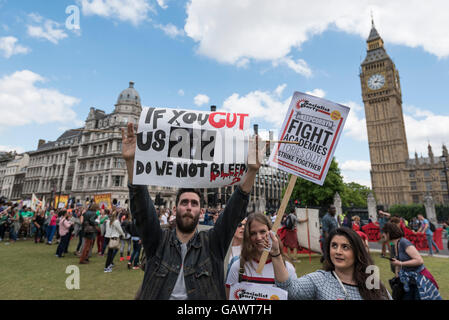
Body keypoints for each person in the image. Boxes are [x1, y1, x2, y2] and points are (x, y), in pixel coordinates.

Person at [121, 122, 263, 300]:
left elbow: (234, 210)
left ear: (201, 210)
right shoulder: (158, 241)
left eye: (194, 203)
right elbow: (142, 209)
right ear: (175, 208)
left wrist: (251, 171)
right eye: (185, 202)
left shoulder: (212, 244)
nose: (189, 207)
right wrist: (131, 162)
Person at [270, 227, 391, 300]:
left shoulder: (372, 282)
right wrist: (276, 254)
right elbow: (289, 290)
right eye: (334, 246)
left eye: (345, 247)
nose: (338, 252)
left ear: (357, 252)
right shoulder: (320, 279)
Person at [225, 213, 297, 299]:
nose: (258, 237)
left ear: (271, 232)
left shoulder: (287, 268)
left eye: (262, 231)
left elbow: (294, 296)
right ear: (248, 236)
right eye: (253, 233)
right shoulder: (238, 267)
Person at [382, 222, 441, 300]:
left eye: (384, 233)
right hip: (407, 280)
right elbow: (398, 263)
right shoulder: (394, 245)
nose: (383, 235)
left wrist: (400, 263)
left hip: (418, 279)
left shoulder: (403, 242)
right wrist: (397, 277)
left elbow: (419, 260)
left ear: (389, 233)